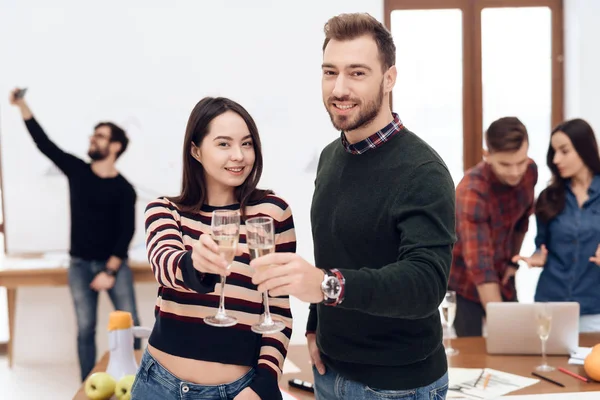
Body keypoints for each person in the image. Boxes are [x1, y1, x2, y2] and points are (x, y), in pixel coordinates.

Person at [250, 13, 455, 400]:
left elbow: (426, 284)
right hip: (329, 373)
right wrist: (315, 323)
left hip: (397, 387)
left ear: (389, 78)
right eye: (330, 72)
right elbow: (338, 253)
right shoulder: (331, 157)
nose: (339, 88)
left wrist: (325, 287)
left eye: (357, 73)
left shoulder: (423, 171)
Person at [132, 97, 296, 400]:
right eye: (224, 144)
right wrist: (196, 264)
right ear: (196, 150)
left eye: (247, 144)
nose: (239, 156)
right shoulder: (166, 211)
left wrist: (263, 384)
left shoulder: (272, 213)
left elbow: (279, 311)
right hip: (158, 386)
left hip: (239, 391)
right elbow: (165, 266)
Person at [9, 88, 141, 381]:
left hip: (113, 266)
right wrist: (22, 105)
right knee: (85, 329)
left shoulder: (124, 189)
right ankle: (89, 385)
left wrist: (109, 270)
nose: (93, 138)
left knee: (131, 326)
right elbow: (44, 143)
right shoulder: (78, 171)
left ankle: (136, 381)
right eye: (93, 134)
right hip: (79, 265)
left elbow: (126, 233)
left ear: (116, 146)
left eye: (101, 136)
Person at [449, 117, 537, 337]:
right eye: (505, 164)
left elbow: (521, 222)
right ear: (487, 155)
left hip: (502, 271)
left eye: (520, 161)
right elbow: (479, 264)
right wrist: (502, 329)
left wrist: (512, 262)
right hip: (466, 281)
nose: (516, 172)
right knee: (475, 351)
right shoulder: (472, 191)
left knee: (514, 345)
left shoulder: (530, 171)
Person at [513, 119, 600, 333]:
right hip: (549, 305)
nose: (556, 158)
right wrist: (536, 256)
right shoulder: (549, 197)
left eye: (564, 151)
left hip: (593, 308)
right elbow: (541, 244)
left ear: (584, 148)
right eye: (554, 151)